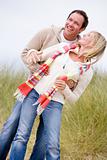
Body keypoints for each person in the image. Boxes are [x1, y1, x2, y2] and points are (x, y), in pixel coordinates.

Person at [0, 9, 89, 159]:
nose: (71, 24)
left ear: (82, 29)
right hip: (32, 89)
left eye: (76, 23)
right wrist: (39, 69)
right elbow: (26, 53)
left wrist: (67, 84)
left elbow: (75, 79)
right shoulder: (47, 32)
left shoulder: (79, 49)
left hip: (52, 98)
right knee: (12, 126)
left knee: (43, 140)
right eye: (70, 19)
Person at [4, 30, 107, 160]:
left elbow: (74, 98)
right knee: (21, 136)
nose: (84, 35)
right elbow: (39, 56)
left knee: (52, 145)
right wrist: (32, 53)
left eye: (88, 36)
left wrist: (65, 89)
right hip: (34, 94)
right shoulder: (62, 48)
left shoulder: (87, 70)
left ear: (94, 44)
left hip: (54, 104)